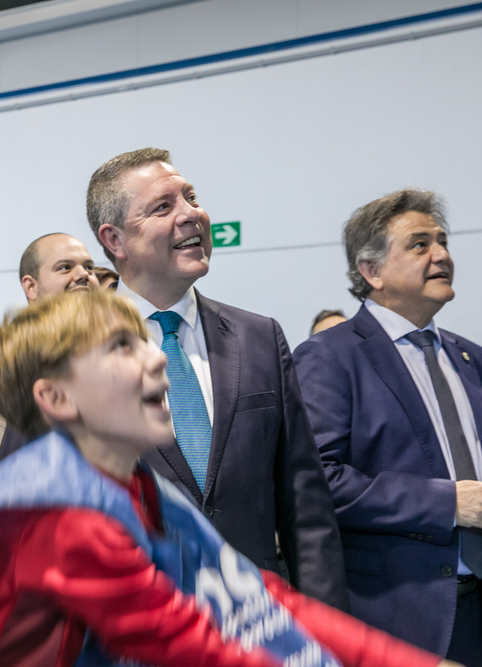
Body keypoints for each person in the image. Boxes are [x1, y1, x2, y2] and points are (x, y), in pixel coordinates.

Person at [0, 290, 454, 667]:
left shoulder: (139, 488)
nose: (157, 359)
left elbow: (259, 604)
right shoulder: (47, 512)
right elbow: (196, 645)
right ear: (56, 398)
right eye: (121, 347)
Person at [87, 148, 348, 610]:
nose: (192, 215)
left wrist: (329, 634)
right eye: (164, 206)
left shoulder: (259, 337)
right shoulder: (66, 352)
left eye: (191, 197)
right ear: (115, 239)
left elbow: (305, 505)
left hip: (261, 627)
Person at [293, 189, 482, 666]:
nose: (442, 255)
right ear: (371, 271)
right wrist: (446, 503)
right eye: (419, 244)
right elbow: (318, 481)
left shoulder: (477, 360)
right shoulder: (329, 356)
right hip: (394, 614)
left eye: (443, 241)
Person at [0, 232, 99, 485]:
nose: (83, 275)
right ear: (31, 287)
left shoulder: (125, 353)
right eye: (65, 267)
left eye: (89, 267)